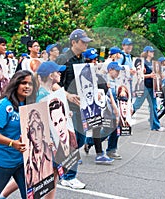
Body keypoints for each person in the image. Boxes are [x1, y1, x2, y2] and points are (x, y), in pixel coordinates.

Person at [0, 61, 66, 199]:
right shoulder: (42, 94)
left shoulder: (49, 92)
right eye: (57, 71)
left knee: (45, 174)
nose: (60, 73)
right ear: (51, 75)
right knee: (50, 173)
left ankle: (2, 195)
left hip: (51, 139)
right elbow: (39, 119)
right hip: (47, 140)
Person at [0, 70, 37, 199]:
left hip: (24, 160)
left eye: (30, 84)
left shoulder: (30, 103)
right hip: (2, 161)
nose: (27, 86)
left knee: (31, 194)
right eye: (23, 83)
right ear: (15, 84)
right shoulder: (4, 105)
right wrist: (12, 143)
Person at [55, 28, 92, 189]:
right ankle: (69, 176)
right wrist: (67, 95)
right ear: (74, 42)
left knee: (80, 139)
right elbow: (51, 81)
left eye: (86, 42)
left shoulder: (82, 58)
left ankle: (61, 170)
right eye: (83, 42)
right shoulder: (63, 58)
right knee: (73, 141)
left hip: (81, 105)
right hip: (66, 106)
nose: (85, 44)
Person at [82, 48, 114, 165]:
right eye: (91, 60)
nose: (94, 62)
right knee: (79, 132)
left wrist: (106, 86)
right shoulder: (81, 73)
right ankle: (74, 153)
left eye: (95, 59)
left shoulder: (96, 73)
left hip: (95, 106)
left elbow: (103, 87)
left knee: (96, 127)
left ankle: (99, 154)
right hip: (81, 106)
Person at [132, 46, 165, 131]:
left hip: (152, 87)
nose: (153, 53)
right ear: (147, 52)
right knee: (136, 105)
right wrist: (149, 76)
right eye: (151, 51)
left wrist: (159, 76)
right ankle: (123, 122)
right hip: (144, 86)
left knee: (153, 106)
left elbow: (155, 74)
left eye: (153, 51)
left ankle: (155, 125)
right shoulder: (140, 61)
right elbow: (138, 75)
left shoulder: (153, 63)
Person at [25, 109, 53, 188]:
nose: (36, 136)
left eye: (38, 129)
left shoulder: (50, 154)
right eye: (32, 131)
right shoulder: (29, 163)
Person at [49, 98, 78, 163]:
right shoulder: (55, 148)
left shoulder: (73, 137)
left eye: (60, 120)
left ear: (65, 118)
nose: (59, 129)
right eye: (55, 124)